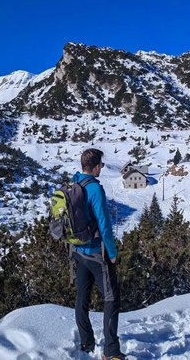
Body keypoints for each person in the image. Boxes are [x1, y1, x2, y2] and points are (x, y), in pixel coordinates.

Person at [72, 148, 125, 360]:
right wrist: (112, 253)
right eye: (101, 165)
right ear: (95, 167)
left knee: (82, 298)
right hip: (95, 252)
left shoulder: (75, 183)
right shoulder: (94, 188)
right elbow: (104, 224)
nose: (101, 168)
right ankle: (111, 351)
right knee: (112, 299)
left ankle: (86, 342)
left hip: (77, 251)